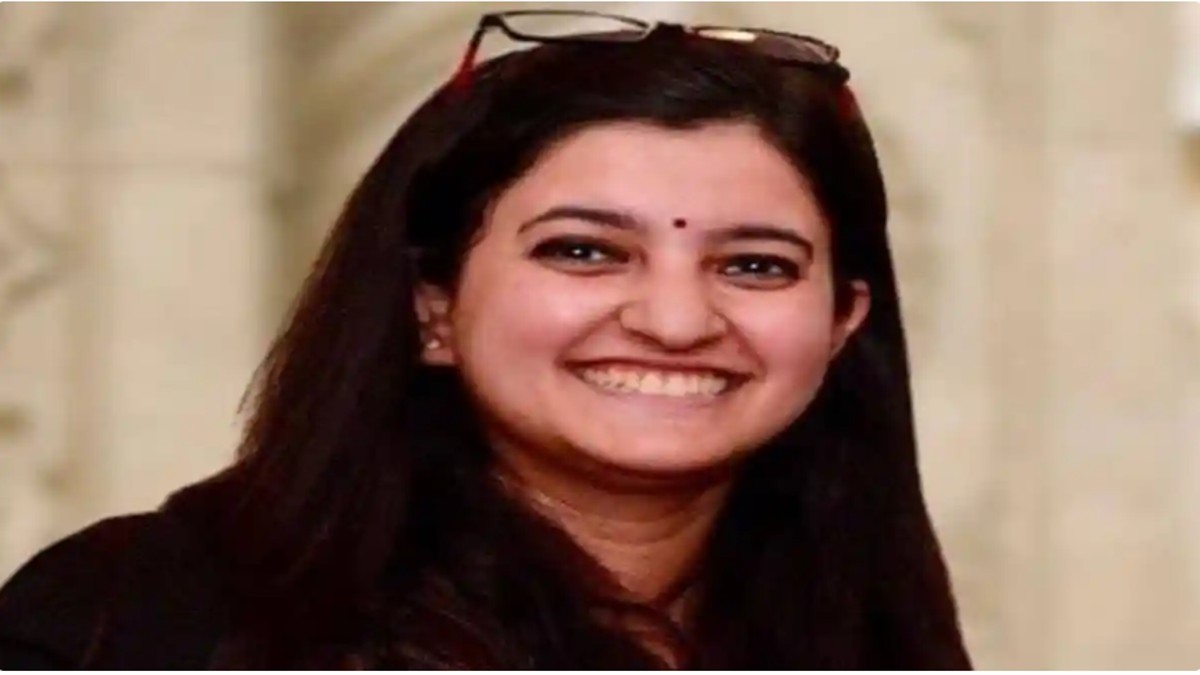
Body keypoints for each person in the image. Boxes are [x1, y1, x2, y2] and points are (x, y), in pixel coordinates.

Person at [0, 10, 972, 669]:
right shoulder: (143, 618)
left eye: (755, 265)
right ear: (432, 307)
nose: (676, 320)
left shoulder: (865, 639)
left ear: (842, 323)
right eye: (585, 251)